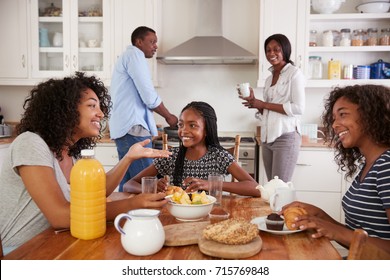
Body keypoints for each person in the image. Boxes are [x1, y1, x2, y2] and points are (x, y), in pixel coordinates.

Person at [0, 72, 170, 254]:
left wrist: (129, 157)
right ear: (66, 109)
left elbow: (97, 192)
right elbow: (60, 216)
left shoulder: (73, 155)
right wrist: (132, 204)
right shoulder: (31, 143)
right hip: (22, 251)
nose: (101, 113)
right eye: (92, 106)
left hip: (57, 241)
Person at [282, 84, 390, 253]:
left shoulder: (386, 167)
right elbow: (358, 239)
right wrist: (321, 217)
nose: (334, 125)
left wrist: (336, 231)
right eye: (334, 118)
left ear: (371, 115)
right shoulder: (370, 165)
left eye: (343, 114)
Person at [124, 101, 259, 197]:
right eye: (181, 125)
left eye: (192, 125)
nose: (184, 131)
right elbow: (128, 185)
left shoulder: (219, 157)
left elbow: (255, 188)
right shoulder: (171, 156)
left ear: (207, 130)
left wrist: (211, 184)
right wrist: (151, 188)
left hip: (210, 217)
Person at [109, 26, 178, 192]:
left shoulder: (129, 57)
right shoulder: (135, 55)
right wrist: (169, 117)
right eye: (152, 42)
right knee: (149, 184)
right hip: (132, 128)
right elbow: (148, 96)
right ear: (139, 42)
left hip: (126, 128)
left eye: (156, 42)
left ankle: (123, 217)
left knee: (127, 184)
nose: (155, 46)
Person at [239, 34, 305, 182]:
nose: (271, 53)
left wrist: (263, 104)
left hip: (286, 136)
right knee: (271, 187)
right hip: (267, 138)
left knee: (280, 188)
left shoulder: (294, 73)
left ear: (285, 50)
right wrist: (254, 102)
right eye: (268, 50)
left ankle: (285, 207)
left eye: (276, 49)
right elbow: (268, 111)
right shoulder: (269, 79)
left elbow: (298, 108)